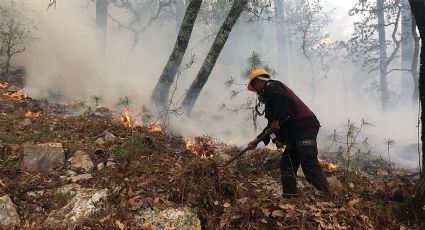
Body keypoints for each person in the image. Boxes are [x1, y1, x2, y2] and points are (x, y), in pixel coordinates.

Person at [246, 69, 330, 198]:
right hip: (295, 132)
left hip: (304, 126)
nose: (256, 92)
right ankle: (290, 196)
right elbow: (271, 127)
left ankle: (326, 195)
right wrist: (257, 141)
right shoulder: (271, 97)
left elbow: (282, 99)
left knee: (308, 162)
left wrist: (276, 119)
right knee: (287, 163)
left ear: (257, 81)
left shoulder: (271, 86)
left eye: (255, 87)